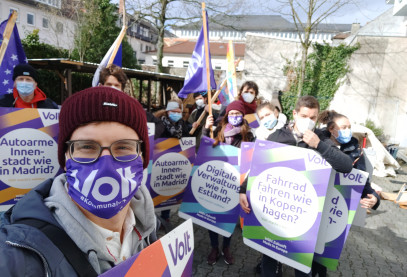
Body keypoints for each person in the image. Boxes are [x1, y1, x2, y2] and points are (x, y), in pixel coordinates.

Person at [0, 87, 157, 276]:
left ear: (143, 157)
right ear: (66, 158)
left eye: (123, 146)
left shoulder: (146, 223)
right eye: (87, 147)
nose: (106, 163)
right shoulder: (17, 256)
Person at [239, 96, 353, 277]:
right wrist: (243, 190)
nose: (308, 121)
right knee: (270, 256)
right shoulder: (278, 137)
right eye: (304, 116)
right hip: (278, 210)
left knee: (302, 267)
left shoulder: (321, 139)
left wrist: (318, 145)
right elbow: (258, 166)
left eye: (313, 118)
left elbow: (346, 166)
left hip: (305, 217)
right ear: (294, 114)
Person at [203, 100, 255, 265]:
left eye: (237, 114)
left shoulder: (248, 134)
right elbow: (204, 148)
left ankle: (226, 247)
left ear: (242, 116)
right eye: (231, 113)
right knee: (213, 214)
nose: (234, 116)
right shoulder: (217, 131)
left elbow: (251, 159)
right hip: (217, 178)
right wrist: (205, 128)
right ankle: (214, 247)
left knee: (229, 217)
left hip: (235, 182)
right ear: (227, 115)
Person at [154, 99, 191, 232]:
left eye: (178, 112)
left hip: (174, 165)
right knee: (156, 191)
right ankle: (153, 218)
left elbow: (187, 141)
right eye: (173, 111)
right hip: (159, 164)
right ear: (167, 111)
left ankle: (166, 217)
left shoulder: (183, 125)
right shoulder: (159, 123)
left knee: (169, 192)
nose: (176, 114)